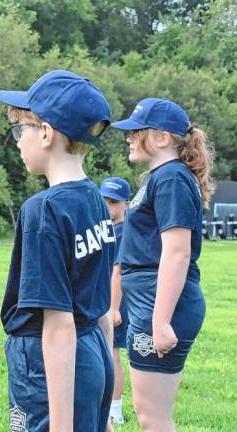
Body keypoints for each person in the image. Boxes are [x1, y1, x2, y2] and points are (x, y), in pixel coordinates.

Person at [0, 70, 115, 432]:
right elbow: (102, 307)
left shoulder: (43, 209)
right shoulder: (94, 198)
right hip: (92, 352)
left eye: (22, 130)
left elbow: (59, 326)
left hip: (49, 369)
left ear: (46, 133)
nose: (18, 142)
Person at [111, 98, 214, 431]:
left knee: (152, 416)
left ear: (162, 138)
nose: (128, 137)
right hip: (147, 302)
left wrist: (160, 321)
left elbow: (177, 253)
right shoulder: (160, 177)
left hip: (159, 306)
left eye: (136, 131)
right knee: (148, 413)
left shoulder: (170, 178)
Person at [99, 176, 132, 425]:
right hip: (102, 301)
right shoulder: (105, 230)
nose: (108, 207)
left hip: (117, 304)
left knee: (113, 355)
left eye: (113, 202)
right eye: (104, 201)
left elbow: (117, 270)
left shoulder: (123, 232)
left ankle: (115, 411)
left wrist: (113, 307)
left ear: (126, 204)